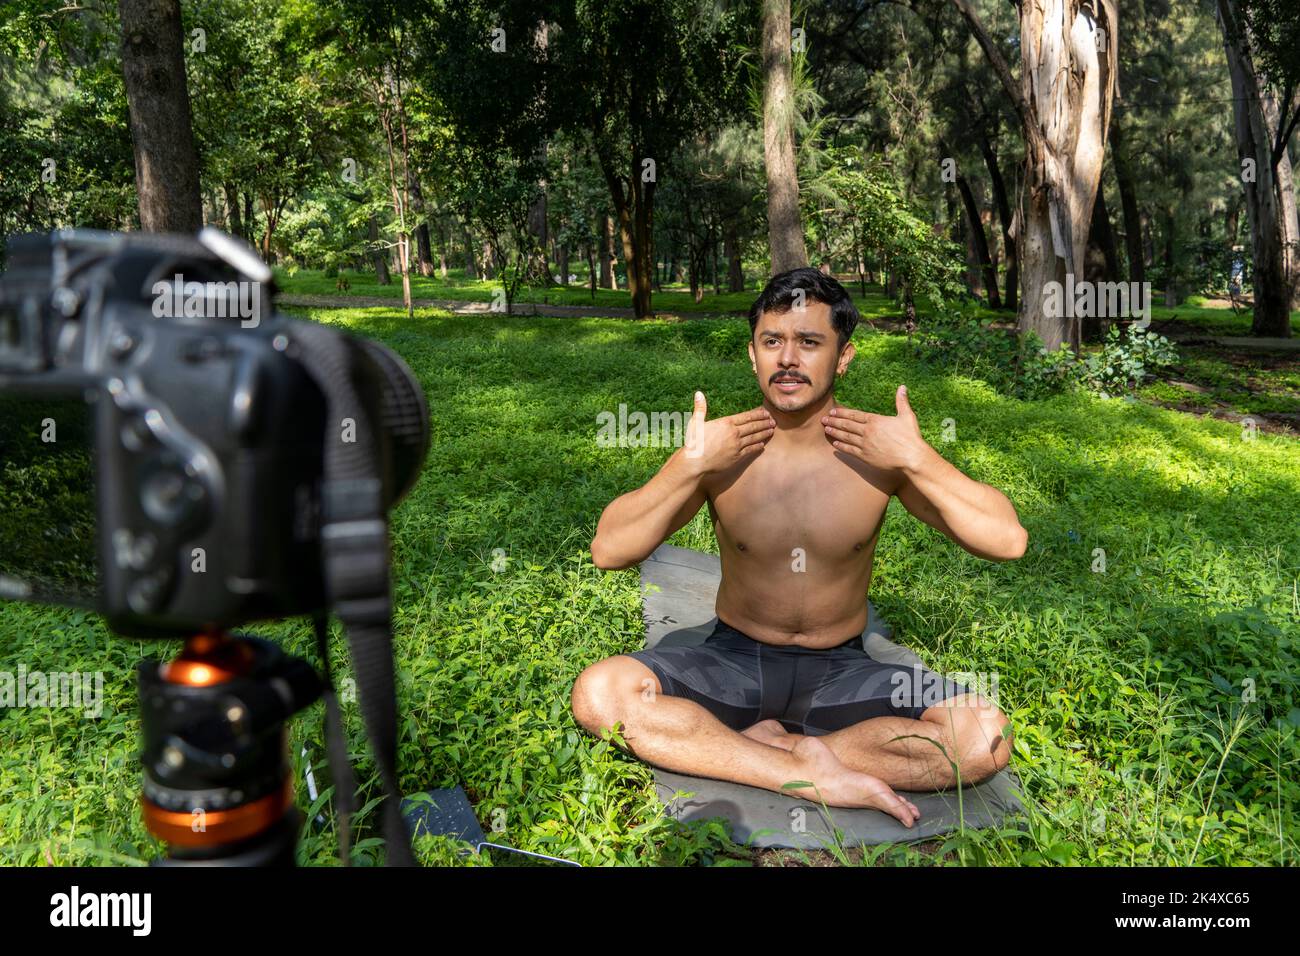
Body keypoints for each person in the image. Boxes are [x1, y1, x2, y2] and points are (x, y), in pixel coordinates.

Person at [571, 268, 1027, 826]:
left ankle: (763, 748)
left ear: (843, 357)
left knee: (984, 736)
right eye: (772, 342)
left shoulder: (876, 454)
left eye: (809, 342)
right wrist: (687, 465)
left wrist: (917, 458)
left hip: (841, 671)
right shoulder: (723, 452)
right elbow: (609, 550)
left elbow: (1008, 540)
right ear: (753, 354)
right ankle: (805, 770)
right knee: (601, 694)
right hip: (731, 660)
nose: (788, 358)